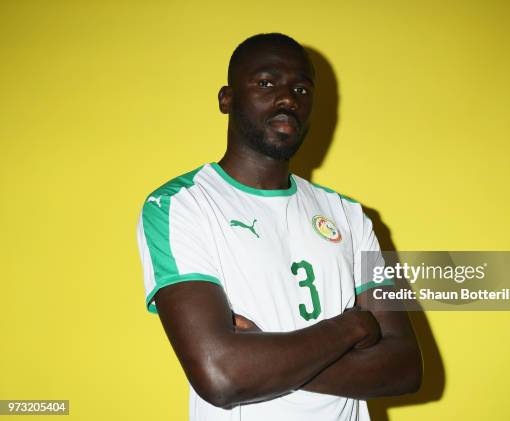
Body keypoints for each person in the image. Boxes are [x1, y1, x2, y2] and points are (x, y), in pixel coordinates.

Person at [136, 33, 422, 421]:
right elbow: (222, 376)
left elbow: (405, 367)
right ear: (227, 98)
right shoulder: (180, 205)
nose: (289, 99)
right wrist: (351, 327)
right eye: (267, 83)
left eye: (302, 88)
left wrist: (264, 359)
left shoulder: (350, 215)